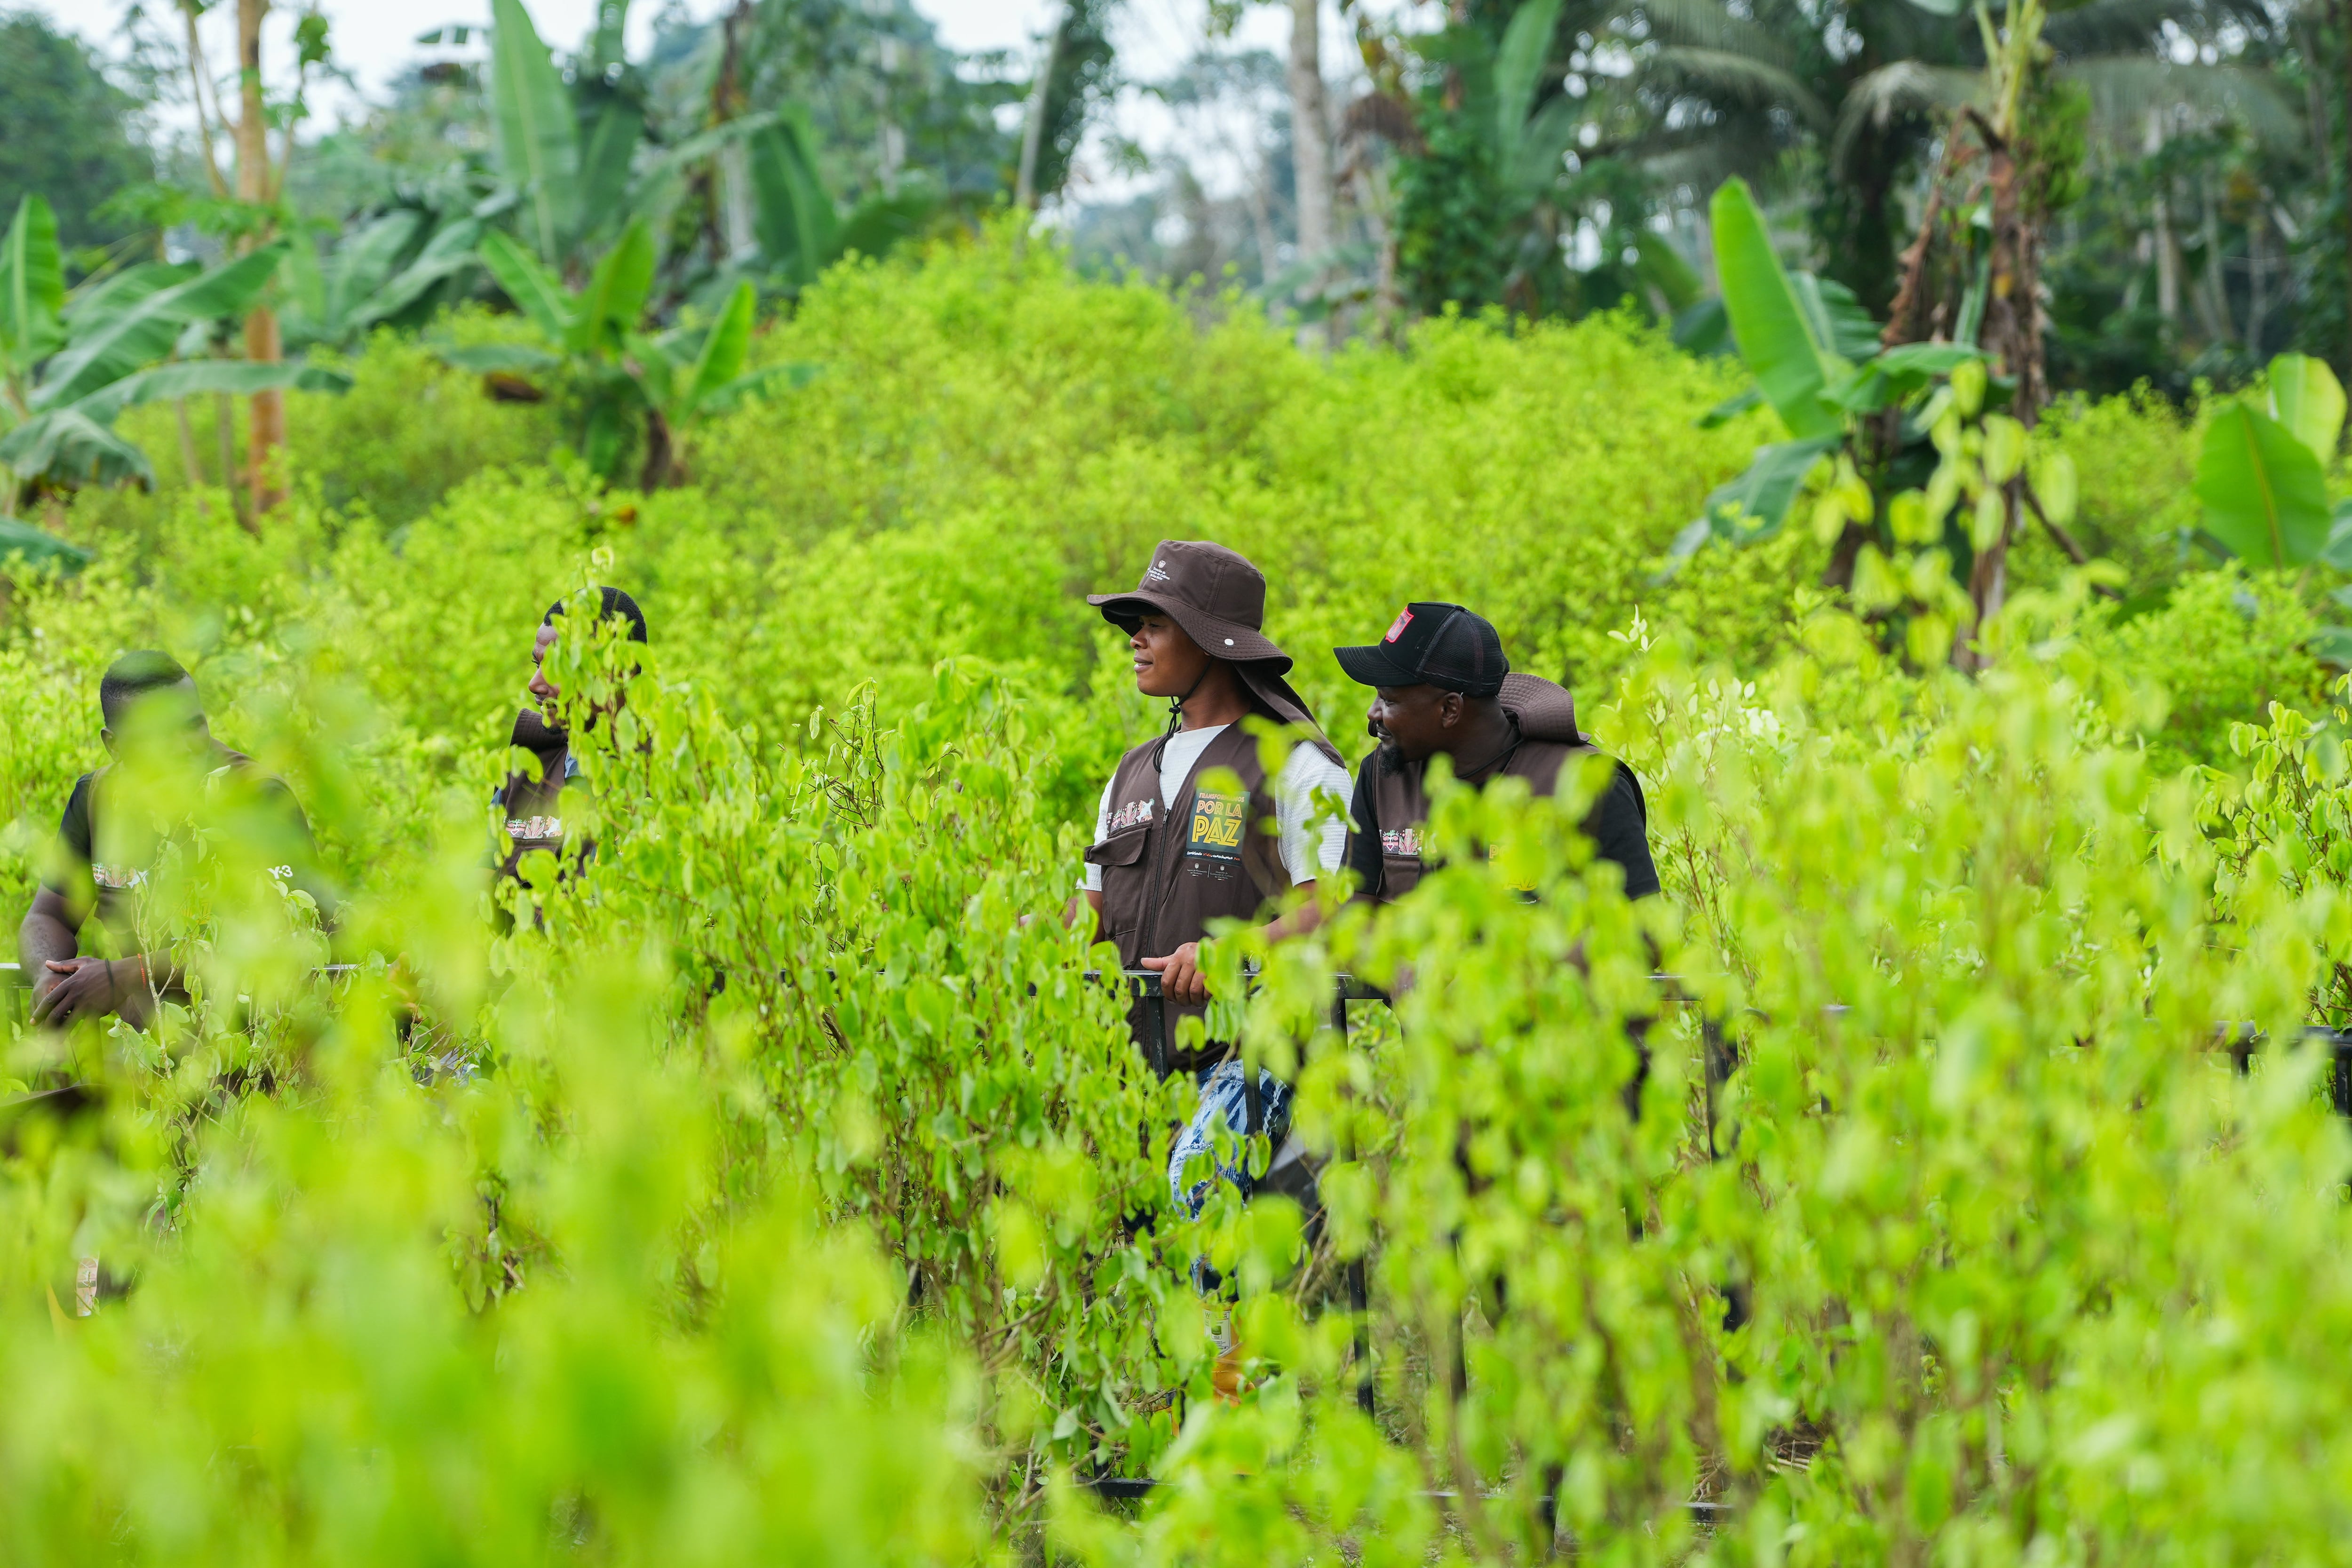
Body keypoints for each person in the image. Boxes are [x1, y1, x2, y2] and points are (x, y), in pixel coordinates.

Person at [1077, 540, 1352, 1218]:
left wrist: (1235, 953)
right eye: (1135, 625)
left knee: (1203, 1212)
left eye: (1156, 624)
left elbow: (1335, 908)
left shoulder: (1302, 767)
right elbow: (1090, 915)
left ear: (1212, 641)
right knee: (1138, 1270)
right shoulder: (1130, 772)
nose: (1136, 640)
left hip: (1251, 1058)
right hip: (1136, 1065)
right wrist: (1020, 942)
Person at [19, 651, 332, 1030]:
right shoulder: (97, 800)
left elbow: (276, 941)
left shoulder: (257, 798)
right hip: (154, 1061)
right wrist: (48, 975)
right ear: (114, 746)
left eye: (193, 725)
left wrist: (125, 975)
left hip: (262, 1060)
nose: (185, 748)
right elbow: (48, 915)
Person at [1335, 601, 1658, 906]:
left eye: (1388, 700)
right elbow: (1352, 915)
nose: (1372, 713)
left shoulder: (1588, 783)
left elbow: (1645, 935)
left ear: (1449, 710)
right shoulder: (1382, 776)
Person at [496, 586, 647, 884]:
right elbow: (480, 900)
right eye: (537, 664)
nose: (534, 684)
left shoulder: (670, 774)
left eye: (556, 667)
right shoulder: (526, 761)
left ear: (614, 673)